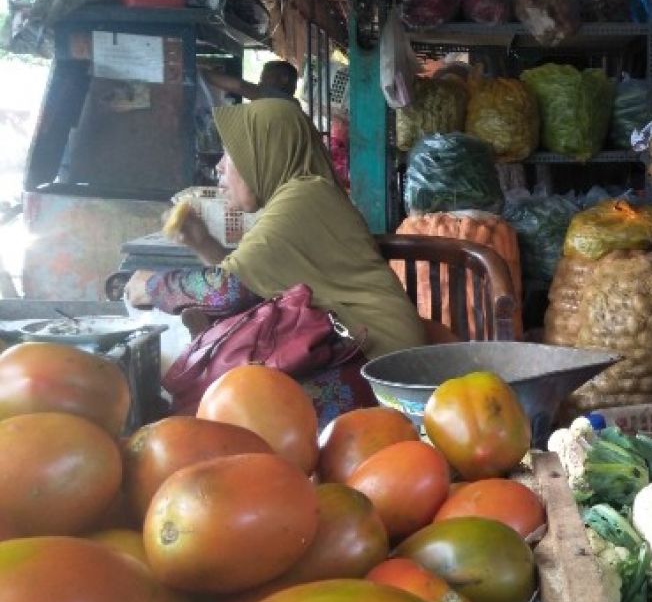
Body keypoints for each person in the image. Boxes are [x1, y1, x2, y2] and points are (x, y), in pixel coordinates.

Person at [124, 99, 426, 424]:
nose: (221, 167)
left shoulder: (304, 198)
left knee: (246, 415)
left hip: (379, 358)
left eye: (231, 153)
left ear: (265, 150)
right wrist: (202, 242)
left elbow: (229, 291)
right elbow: (254, 287)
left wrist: (152, 285)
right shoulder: (301, 194)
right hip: (352, 343)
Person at [204, 60, 300, 103]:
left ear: (284, 79)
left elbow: (239, 86)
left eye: (265, 78)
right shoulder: (289, 103)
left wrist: (200, 72)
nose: (260, 83)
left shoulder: (282, 100)